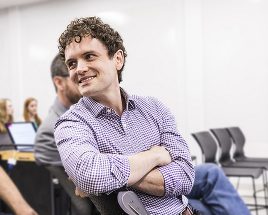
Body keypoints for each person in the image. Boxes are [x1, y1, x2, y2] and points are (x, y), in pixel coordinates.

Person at [54, 16, 250, 215]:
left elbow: (185, 175)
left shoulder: (153, 108)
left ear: (118, 59)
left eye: (89, 56)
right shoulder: (71, 123)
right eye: (72, 63)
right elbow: (91, 176)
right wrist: (154, 155)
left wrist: (110, 174)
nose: (79, 69)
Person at [34, 54, 96, 215]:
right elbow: (95, 175)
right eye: (76, 77)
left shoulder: (87, 113)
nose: (84, 81)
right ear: (59, 82)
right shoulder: (50, 131)